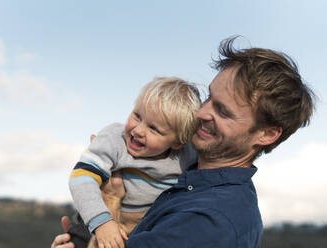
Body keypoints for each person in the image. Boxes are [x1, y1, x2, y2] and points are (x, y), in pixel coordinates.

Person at [52, 36, 315, 248]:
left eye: (222, 111)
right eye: (209, 97)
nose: (201, 113)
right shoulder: (186, 170)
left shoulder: (210, 220)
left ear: (266, 134)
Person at [68, 77, 202, 248]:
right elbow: (81, 179)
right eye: (137, 116)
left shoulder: (186, 156)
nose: (138, 130)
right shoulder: (114, 139)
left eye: (153, 128)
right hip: (96, 222)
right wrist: (102, 223)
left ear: (177, 143)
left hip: (144, 227)